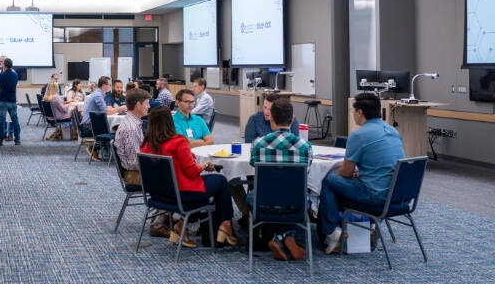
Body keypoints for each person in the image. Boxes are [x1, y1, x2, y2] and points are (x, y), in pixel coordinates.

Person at [320, 92, 405, 255]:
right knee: (340, 183)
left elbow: (345, 172)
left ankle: (332, 233)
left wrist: (349, 172)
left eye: (353, 111)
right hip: (397, 196)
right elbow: (387, 164)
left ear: (360, 112)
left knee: (328, 179)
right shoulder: (392, 131)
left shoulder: (359, 135)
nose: (353, 114)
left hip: (376, 196)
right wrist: (364, 173)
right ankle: (363, 229)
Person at [141, 108, 237, 249]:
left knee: (207, 188)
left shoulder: (146, 145)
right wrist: (204, 165)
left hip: (158, 196)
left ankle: (181, 225)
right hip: (182, 195)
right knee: (221, 180)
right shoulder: (178, 142)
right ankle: (225, 223)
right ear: (170, 122)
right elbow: (192, 172)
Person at [248, 97, 312, 261]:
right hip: (295, 203)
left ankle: (276, 236)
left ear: (272, 119)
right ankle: (287, 236)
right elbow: (307, 173)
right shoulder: (305, 147)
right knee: (305, 199)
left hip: (265, 202)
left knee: (251, 197)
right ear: (292, 120)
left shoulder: (258, 144)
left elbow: (253, 165)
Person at [114, 88, 150, 186]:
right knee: (173, 177)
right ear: (138, 105)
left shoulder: (133, 122)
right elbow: (134, 162)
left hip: (135, 170)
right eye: (146, 103)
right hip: (134, 174)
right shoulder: (131, 128)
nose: (149, 106)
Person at [0, 57, 20, 146]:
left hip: (2, 100)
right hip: (12, 100)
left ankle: (0, 140)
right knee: (15, 120)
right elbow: (15, 87)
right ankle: (17, 140)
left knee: (2, 120)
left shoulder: (1, 75)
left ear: (4, 65)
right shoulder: (15, 75)